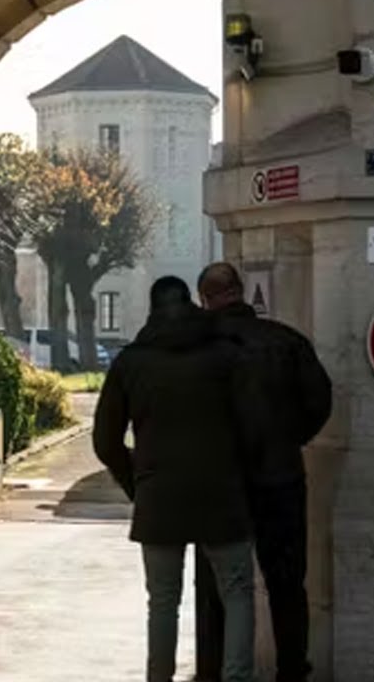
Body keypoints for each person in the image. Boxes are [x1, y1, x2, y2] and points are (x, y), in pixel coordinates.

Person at [93, 276, 256, 682]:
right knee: (236, 591)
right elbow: (255, 424)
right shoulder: (226, 356)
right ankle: (237, 677)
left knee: (163, 601)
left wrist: (136, 481)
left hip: (158, 494)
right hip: (221, 491)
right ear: (193, 305)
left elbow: (104, 439)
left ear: (151, 309)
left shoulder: (131, 362)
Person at [194, 262, 333, 682]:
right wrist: (288, 440)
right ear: (240, 291)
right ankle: (291, 670)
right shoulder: (287, 341)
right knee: (287, 584)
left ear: (205, 299)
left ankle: (214, 670)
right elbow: (320, 402)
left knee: (219, 586)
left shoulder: (197, 349)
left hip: (220, 483)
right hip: (281, 477)